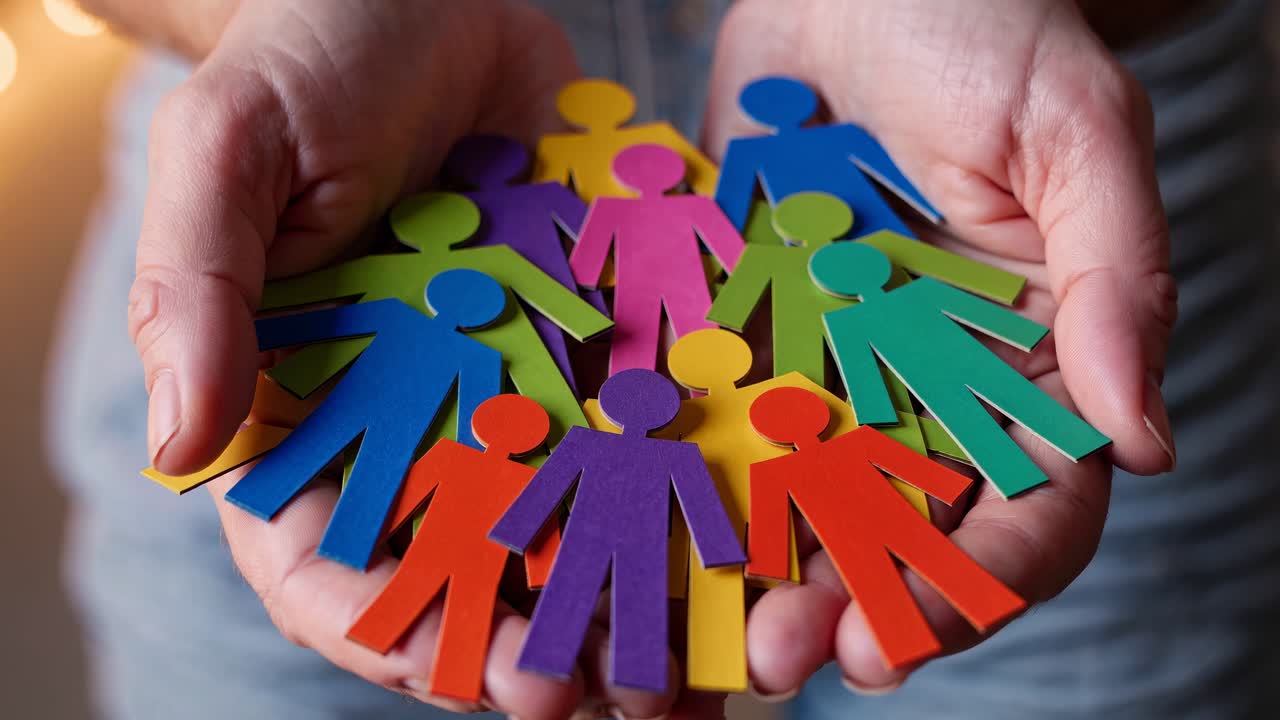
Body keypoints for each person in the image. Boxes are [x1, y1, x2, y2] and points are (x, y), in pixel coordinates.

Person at [46, 1, 1277, 719]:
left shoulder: (788, 236)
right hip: (337, 214)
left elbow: (697, 296)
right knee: (387, 553)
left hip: (1007, 208)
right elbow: (573, 306)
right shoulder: (523, 342)